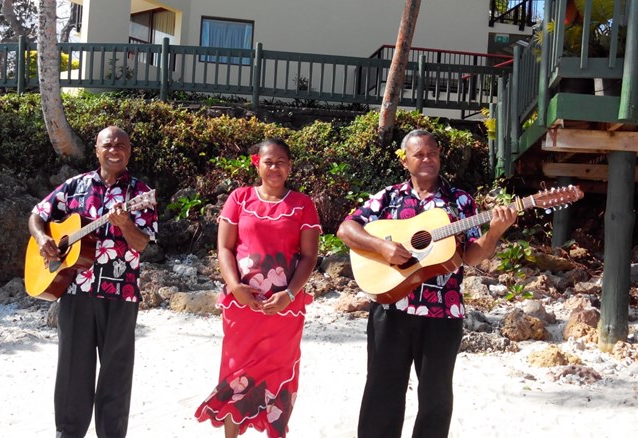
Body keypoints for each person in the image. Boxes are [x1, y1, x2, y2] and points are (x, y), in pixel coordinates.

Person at [337, 129, 517, 438]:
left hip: (442, 312)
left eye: (432, 153)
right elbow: (346, 229)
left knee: (436, 398)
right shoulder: (390, 197)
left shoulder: (459, 200)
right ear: (405, 160)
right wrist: (382, 247)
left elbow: (472, 256)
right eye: (418, 154)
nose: (426, 159)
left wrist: (496, 231)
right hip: (391, 306)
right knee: (382, 392)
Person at [28, 126, 158, 438]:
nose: (116, 150)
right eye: (109, 144)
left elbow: (141, 244)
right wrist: (44, 237)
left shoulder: (140, 195)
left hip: (121, 292)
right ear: (97, 150)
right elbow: (37, 214)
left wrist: (126, 223)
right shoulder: (75, 187)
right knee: (73, 370)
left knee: (116, 371)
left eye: (122, 145)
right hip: (75, 290)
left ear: (129, 151)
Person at [195, 138, 322, 438]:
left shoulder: (303, 205)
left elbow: (310, 256)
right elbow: (224, 248)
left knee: (280, 371)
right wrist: (235, 286)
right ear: (257, 164)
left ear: (290, 167)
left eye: (281, 161)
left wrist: (289, 294)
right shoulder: (239, 199)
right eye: (269, 161)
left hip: (285, 308)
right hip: (242, 307)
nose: (274, 167)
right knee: (236, 371)